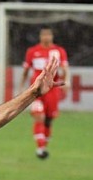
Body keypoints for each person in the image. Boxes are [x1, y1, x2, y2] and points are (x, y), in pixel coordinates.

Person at [19, 27, 69, 159]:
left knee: (48, 120)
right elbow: (25, 70)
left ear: (52, 36)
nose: (46, 37)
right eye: (44, 35)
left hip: (52, 90)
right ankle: (40, 148)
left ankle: (44, 146)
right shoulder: (32, 51)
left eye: (49, 35)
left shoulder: (59, 51)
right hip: (37, 90)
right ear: (40, 37)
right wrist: (21, 87)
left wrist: (67, 81)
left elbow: (65, 68)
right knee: (39, 116)